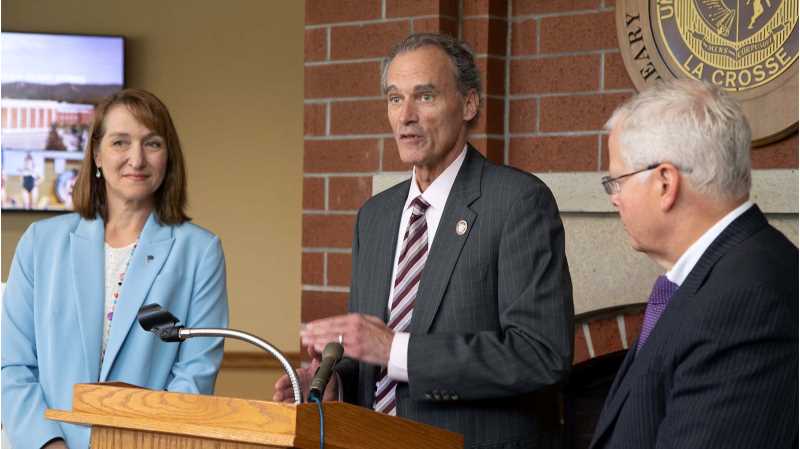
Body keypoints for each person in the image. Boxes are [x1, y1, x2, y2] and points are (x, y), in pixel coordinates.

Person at [275, 33, 574, 448]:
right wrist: (332, 386)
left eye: (425, 96)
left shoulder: (517, 202)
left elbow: (539, 354)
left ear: (469, 104)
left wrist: (397, 350)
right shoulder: (374, 217)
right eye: (395, 99)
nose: (406, 116)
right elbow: (372, 356)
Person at [2, 88, 229, 449]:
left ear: (168, 157)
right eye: (120, 142)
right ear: (96, 154)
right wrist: (47, 444)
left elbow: (194, 374)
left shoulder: (199, 251)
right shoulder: (40, 243)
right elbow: (12, 366)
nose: (136, 159)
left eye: (152, 144)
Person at [589, 79, 798, 449]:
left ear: (665, 183)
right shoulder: (723, 272)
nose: (614, 199)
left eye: (616, 181)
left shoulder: (746, 302)